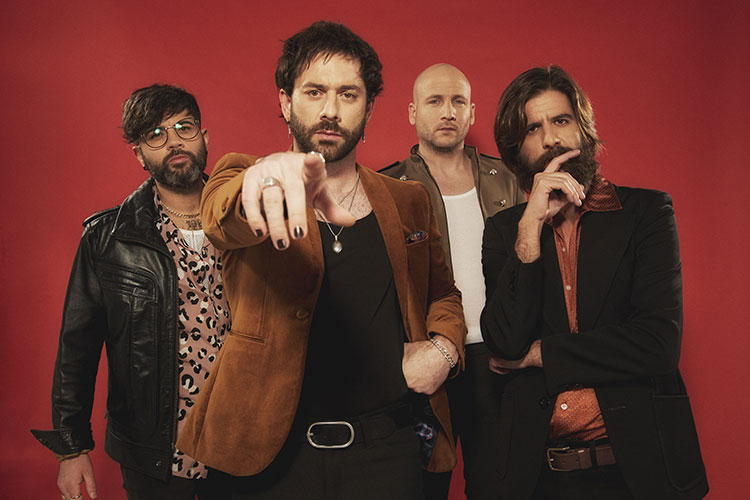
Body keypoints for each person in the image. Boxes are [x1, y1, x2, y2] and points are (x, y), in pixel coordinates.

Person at [176, 21, 466, 499]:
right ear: (286, 102)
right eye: (314, 92)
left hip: (386, 452)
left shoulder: (408, 200)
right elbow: (220, 219)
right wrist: (263, 180)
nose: (331, 110)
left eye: (348, 94)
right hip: (269, 456)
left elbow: (444, 295)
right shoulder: (243, 176)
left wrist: (445, 350)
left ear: (369, 108)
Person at [480, 65, 708, 500]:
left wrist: (541, 354)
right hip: (539, 478)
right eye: (533, 128)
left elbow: (657, 344)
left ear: (583, 131)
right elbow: (505, 343)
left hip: (638, 472)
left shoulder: (646, 213)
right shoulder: (507, 231)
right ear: (516, 150)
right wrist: (530, 230)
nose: (551, 138)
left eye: (561, 120)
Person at [32, 84, 231, 500]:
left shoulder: (250, 218)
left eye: (184, 127)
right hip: (153, 451)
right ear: (139, 155)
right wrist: (71, 448)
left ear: (205, 138)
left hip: (244, 440)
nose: (174, 141)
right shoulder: (107, 238)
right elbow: (77, 348)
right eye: (155, 135)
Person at [380, 63, 524, 500]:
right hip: (428, 357)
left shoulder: (509, 180)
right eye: (435, 101)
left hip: (499, 359)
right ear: (412, 112)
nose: (448, 111)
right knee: (421, 487)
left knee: (503, 487)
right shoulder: (389, 187)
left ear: (472, 112)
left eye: (458, 101)